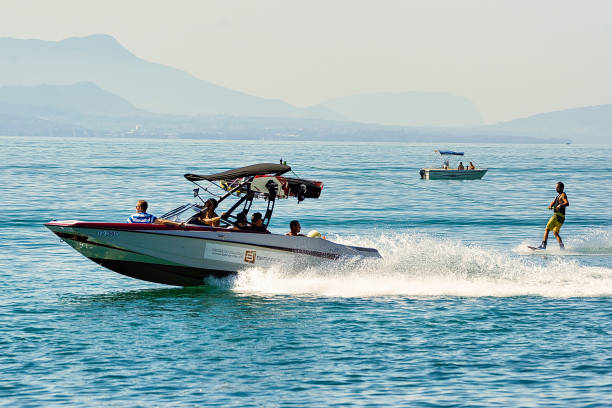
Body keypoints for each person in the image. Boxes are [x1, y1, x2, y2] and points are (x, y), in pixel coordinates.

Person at [537, 182, 569, 250]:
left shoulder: (563, 195)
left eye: (557, 187)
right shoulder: (557, 196)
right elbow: (553, 202)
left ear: (562, 188)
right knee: (555, 232)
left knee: (547, 228)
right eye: (556, 187)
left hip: (557, 216)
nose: (556, 188)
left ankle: (543, 245)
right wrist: (550, 206)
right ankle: (562, 247)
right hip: (562, 218)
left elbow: (567, 203)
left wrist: (560, 205)